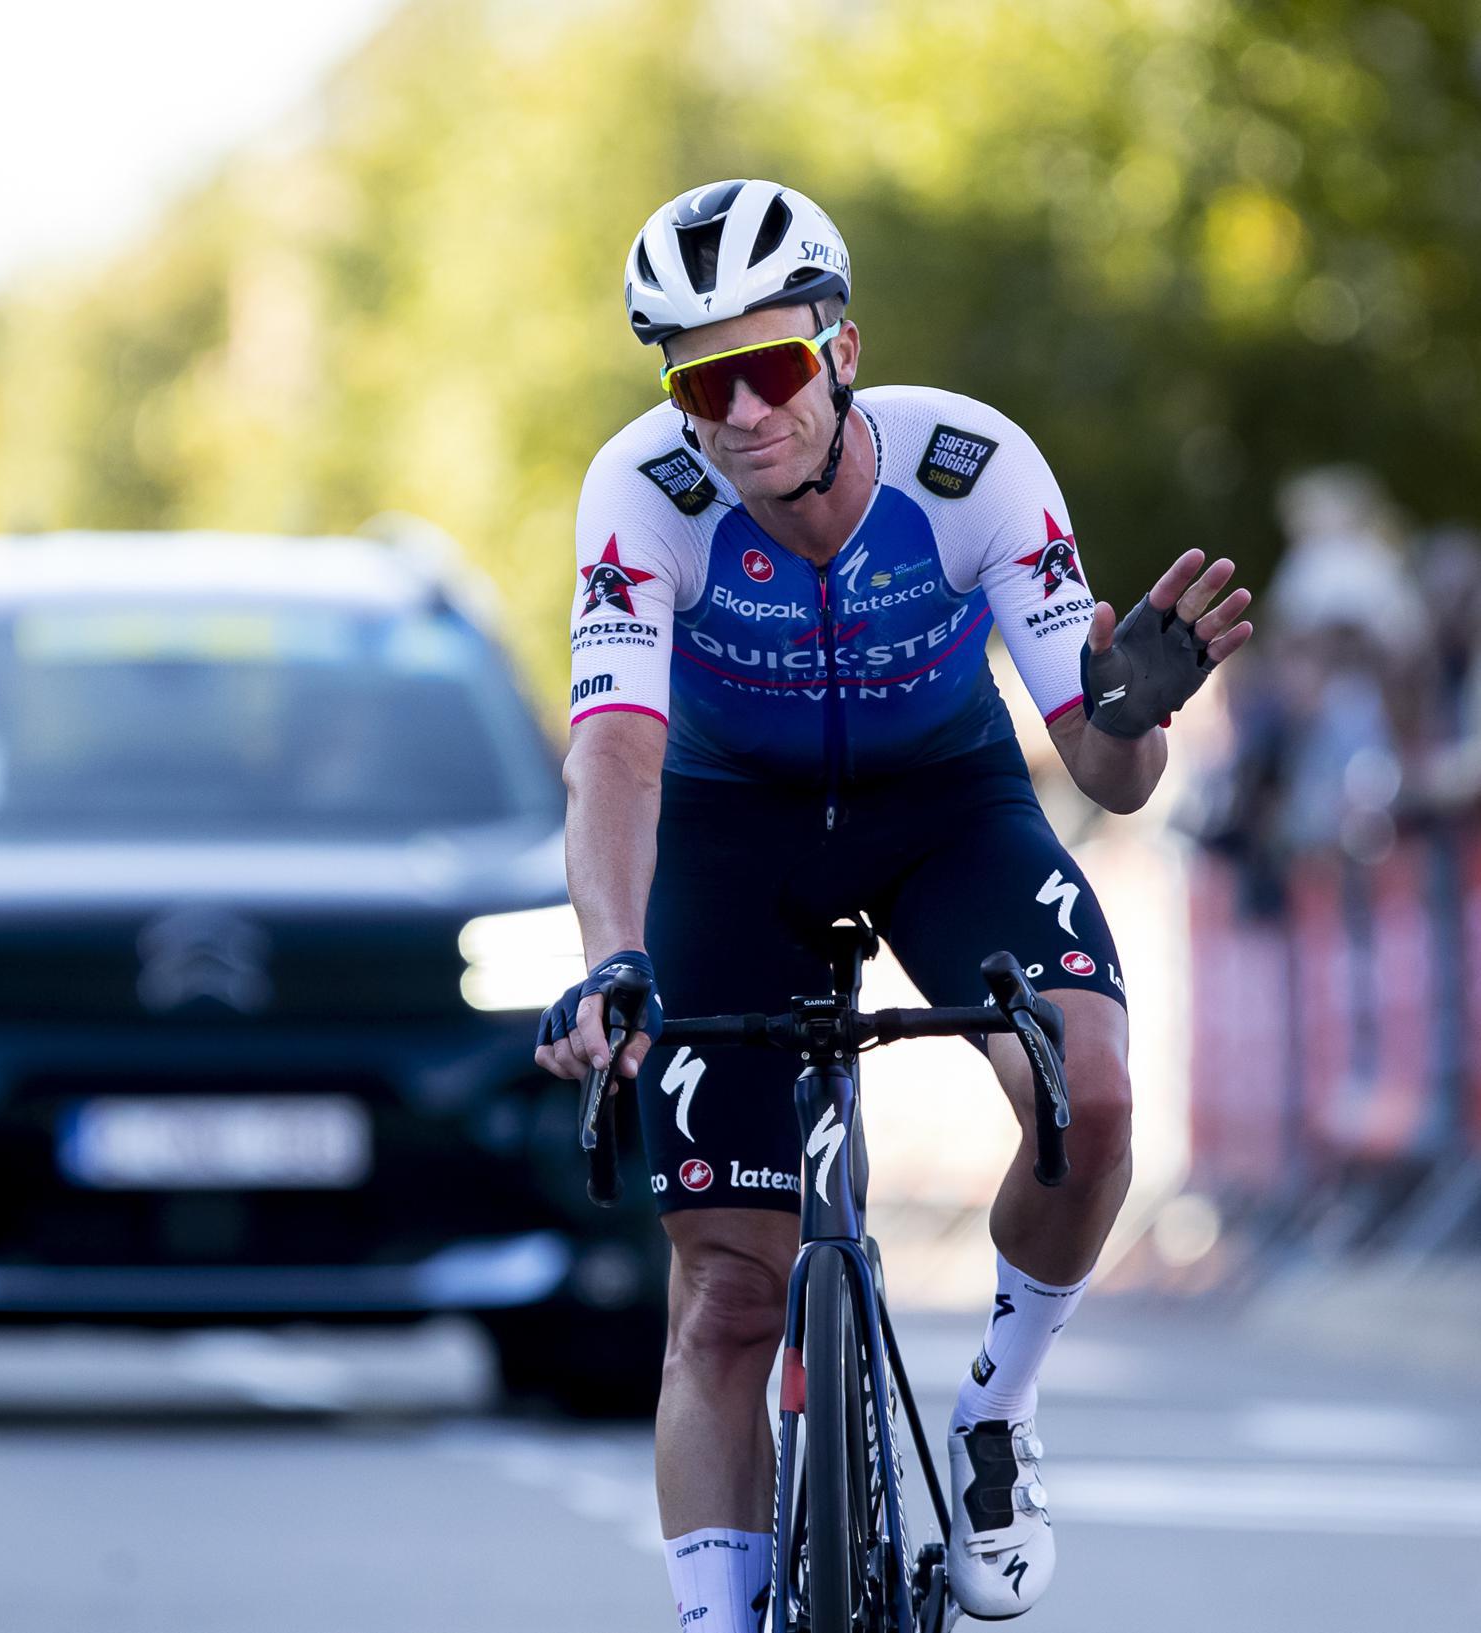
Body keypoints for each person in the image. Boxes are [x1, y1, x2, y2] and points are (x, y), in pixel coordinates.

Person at [534, 179, 1253, 1625]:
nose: (739, 412)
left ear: (841, 351)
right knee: (728, 1297)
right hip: (731, 841)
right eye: (700, 380)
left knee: (1089, 1097)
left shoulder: (972, 467)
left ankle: (996, 1408)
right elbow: (613, 749)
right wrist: (611, 958)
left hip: (943, 814)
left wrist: (1132, 710)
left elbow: (1105, 774)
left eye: (771, 367)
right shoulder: (641, 493)